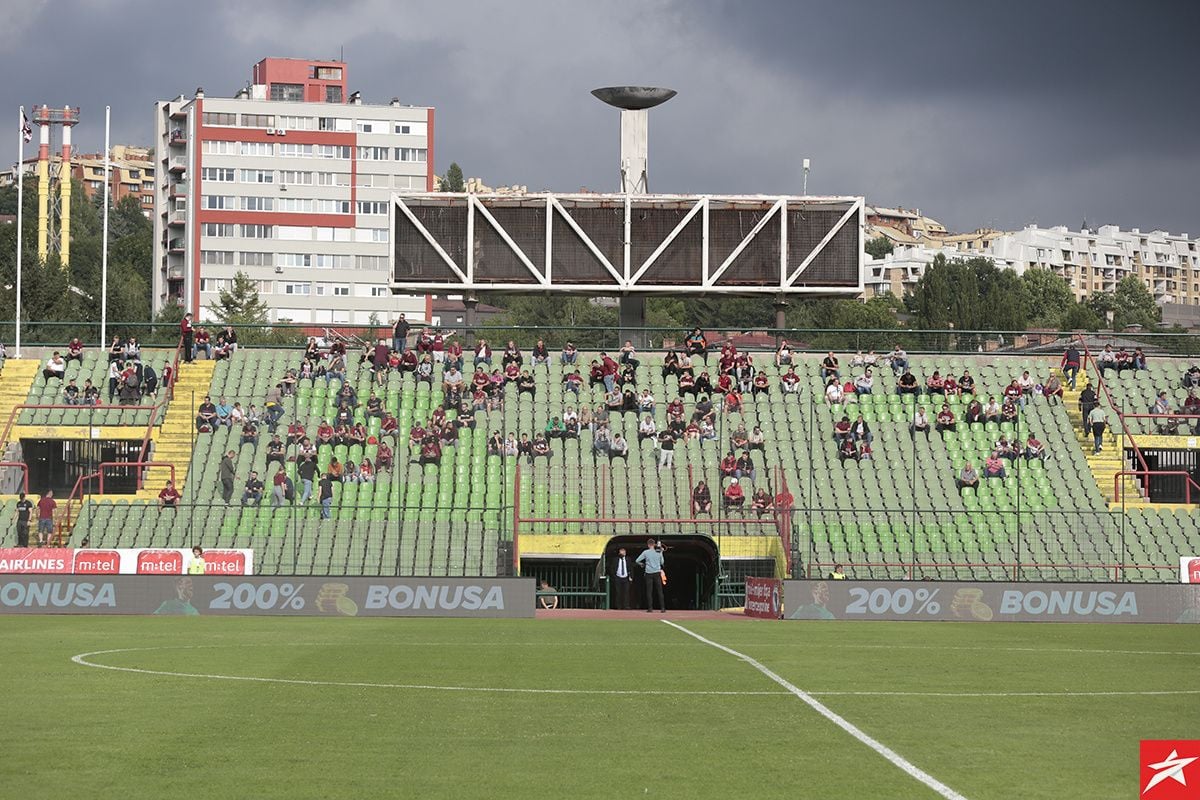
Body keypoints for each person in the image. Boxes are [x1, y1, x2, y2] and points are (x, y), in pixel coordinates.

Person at [635, 538, 666, 613]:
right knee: (659, 591)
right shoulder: (658, 552)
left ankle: (650, 608)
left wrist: (642, 564)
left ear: (648, 545)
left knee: (649, 591)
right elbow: (662, 562)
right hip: (657, 573)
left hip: (648, 573)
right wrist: (661, 552)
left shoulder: (645, 552)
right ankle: (662, 608)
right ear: (654, 544)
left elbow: (637, 560)